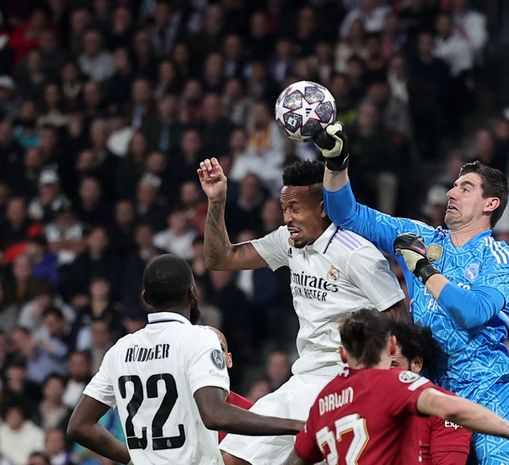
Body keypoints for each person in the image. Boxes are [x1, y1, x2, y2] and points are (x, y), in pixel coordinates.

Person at [315, 123, 509, 464]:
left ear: (491, 203)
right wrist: (336, 163)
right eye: (454, 186)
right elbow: (348, 215)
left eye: (466, 188)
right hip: (428, 396)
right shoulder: (420, 238)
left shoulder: (501, 257)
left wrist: (424, 270)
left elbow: (473, 312)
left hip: (486, 395)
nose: (452, 193)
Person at [197, 158, 406, 465]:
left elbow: (398, 319)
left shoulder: (356, 253)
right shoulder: (289, 241)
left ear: (322, 208)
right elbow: (221, 258)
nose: (287, 218)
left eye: (295, 209)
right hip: (305, 376)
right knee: (230, 457)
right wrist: (217, 202)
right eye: (284, 209)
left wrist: (392, 385)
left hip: (346, 377)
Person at [66, 254, 303, 465]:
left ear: (145, 298)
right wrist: (295, 425)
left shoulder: (120, 350)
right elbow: (214, 414)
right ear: (192, 292)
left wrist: (131, 458)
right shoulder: (199, 338)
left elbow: (79, 426)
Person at [290, 308, 509, 465]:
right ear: (391, 346)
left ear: (342, 355)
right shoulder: (392, 384)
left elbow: (299, 456)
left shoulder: (323, 400)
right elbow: (454, 409)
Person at [390, 320, 472, 464]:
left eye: (393, 365)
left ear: (416, 363)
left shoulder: (445, 408)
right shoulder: (362, 400)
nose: (384, 372)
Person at [205, 326, 254, 446]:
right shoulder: (179, 410)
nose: (210, 355)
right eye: (202, 350)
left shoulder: (249, 410)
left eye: (218, 348)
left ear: (229, 359)